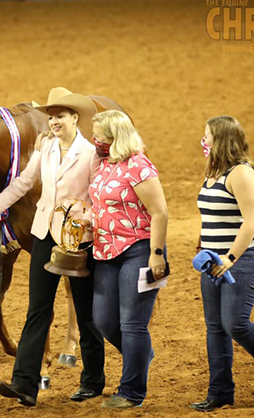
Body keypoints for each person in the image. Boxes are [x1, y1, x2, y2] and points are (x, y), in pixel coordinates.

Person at [0, 87, 105, 407]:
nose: (54, 122)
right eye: (51, 117)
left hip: (77, 240)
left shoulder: (90, 154)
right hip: (45, 235)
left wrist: (85, 221)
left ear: (75, 117)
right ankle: (25, 383)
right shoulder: (45, 147)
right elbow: (22, 183)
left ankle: (92, 380)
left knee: (86, 312)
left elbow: (99, 199)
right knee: (38, 310)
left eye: (60, 116)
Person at [192, 116, 254, 412]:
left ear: (221, 139)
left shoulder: (242, 174)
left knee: (234, 323)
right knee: (215, 328)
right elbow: (212, 214)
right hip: (214, 259)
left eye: (207, 136)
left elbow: (251, 222)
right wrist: (204, 245)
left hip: (243, 257)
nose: (203, 141)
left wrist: (230, 258)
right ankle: (220, 391)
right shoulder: (213, 172)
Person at [88, 110, 168, 409]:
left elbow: (160, 212)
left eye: (101, 137)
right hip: (106, 252)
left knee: (132, 324)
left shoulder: (139, 166)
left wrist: (157, 254)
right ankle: (140, 355)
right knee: (105, 321)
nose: (95, 141)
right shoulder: (105, 166)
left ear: (116, 137)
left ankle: (132, 392)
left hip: (139, 249)